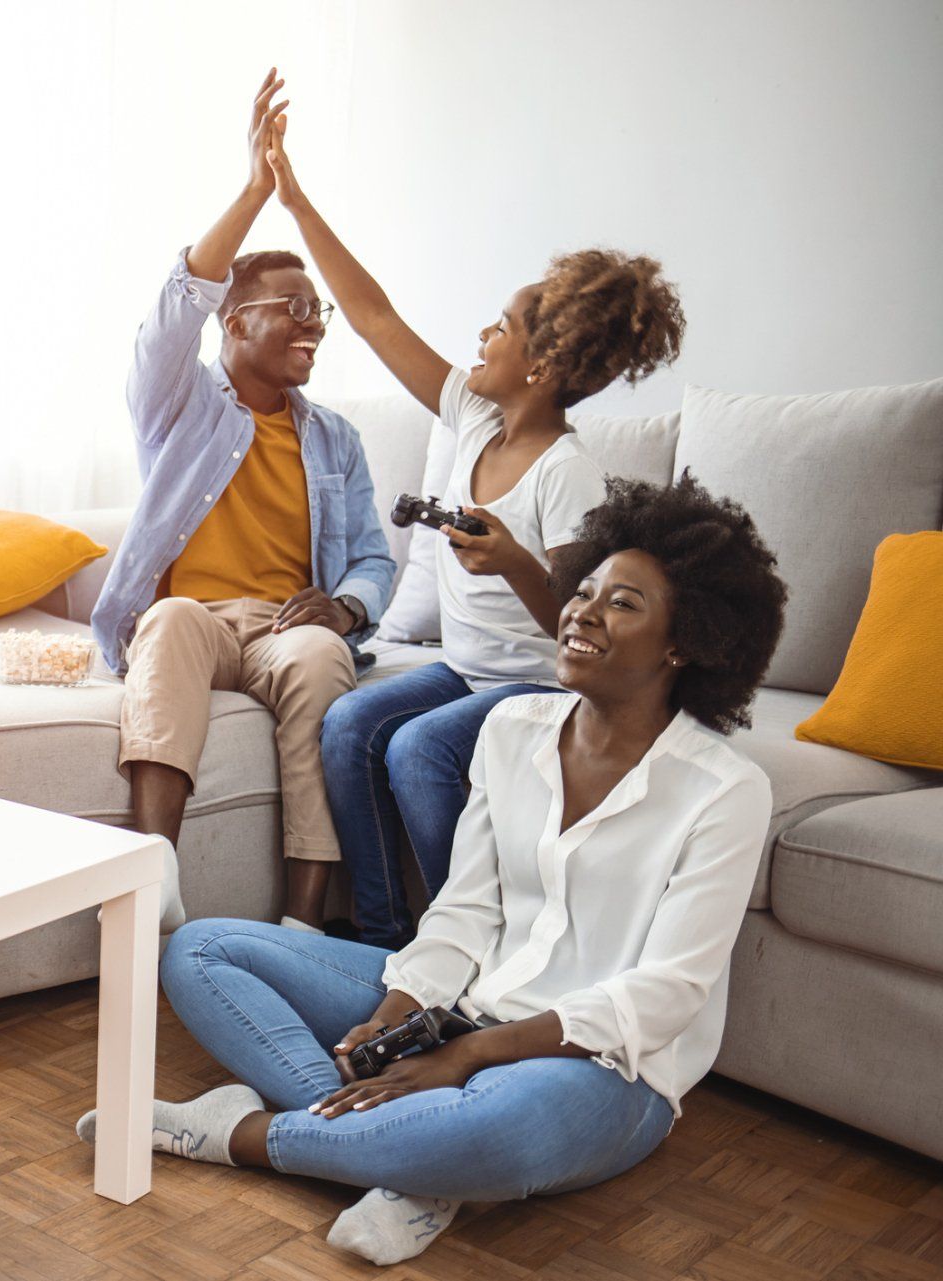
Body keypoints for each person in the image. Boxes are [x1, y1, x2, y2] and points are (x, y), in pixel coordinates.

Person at [77, 475, 788, 1266]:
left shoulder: (725, 789)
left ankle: (238, 1133)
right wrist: (398, 1011)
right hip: (457, 1004)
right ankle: (413, 1162)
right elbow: (465, 910)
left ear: (682, 642)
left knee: (502, 1129)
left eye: (623, 604)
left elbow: (665, 995)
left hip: (602, 1067)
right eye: (583, 590)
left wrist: (468, 1055)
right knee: (200, 950)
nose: (582, 611)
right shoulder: (513, 729)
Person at [248, 112, 688, 946]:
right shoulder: (474, 416)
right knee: (348, 723)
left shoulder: (567, 469)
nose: (481, 334)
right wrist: (295, 203)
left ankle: (476, 942)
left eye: (501, 326)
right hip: (465, 668)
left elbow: (578, 620)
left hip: (539, 688)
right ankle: (383, 934)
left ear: (543, 365)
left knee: (417, 751)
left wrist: (515, 559)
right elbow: (374, 316)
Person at [91, 68, 395, 932]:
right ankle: (157, 886)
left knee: (317, 661)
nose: (313, 324)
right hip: (196, 617)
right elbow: (173, 307)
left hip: (280, 625)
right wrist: (259, 189)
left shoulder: (334, 438)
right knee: (173, 622)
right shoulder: (180, 405)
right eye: (293, 307)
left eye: (320, 311)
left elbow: (375, 554)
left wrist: (343, 605)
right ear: (235, 321)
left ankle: (302, 925)